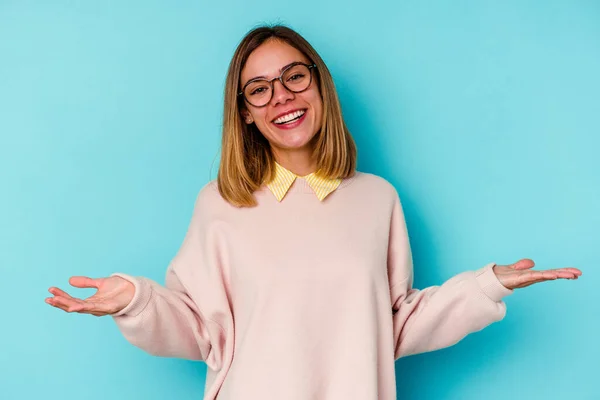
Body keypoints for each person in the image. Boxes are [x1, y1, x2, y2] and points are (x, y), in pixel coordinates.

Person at [45, 25, 582, 400]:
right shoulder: (220, 204)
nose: (281, 96)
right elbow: (201, 328)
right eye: (260, 89)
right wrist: (135, 301)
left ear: (319, 85)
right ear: (247, 115)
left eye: (294, 77)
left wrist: (486, 286)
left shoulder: (377, 199)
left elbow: (393, 324)